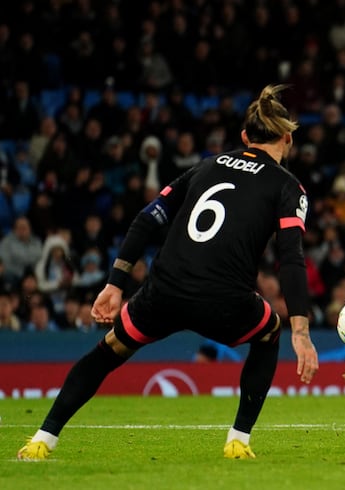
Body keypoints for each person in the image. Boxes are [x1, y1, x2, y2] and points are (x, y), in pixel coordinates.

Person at [18, 84, 319, 461]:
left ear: (244, 138)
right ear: (288, 139)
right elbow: (290, 257)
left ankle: (41, 441)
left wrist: (115, 284)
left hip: (163, 292)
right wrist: (302, 330)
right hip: (223, 300)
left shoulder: (206, 166)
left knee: (107, 351)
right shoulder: (289, 187)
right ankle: (238, 440)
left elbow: (147, 219)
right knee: (269, 333)